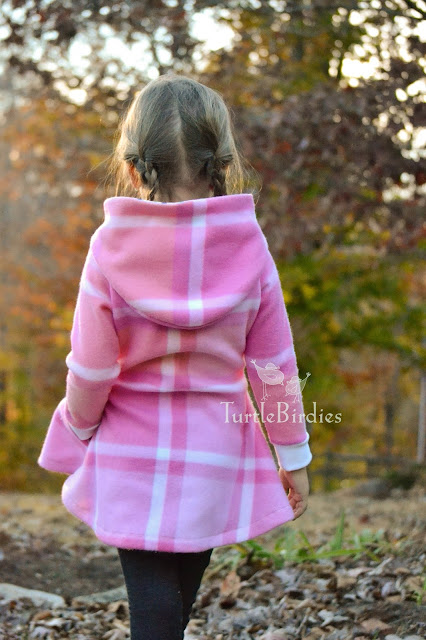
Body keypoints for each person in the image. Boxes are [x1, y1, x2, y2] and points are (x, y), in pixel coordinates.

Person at [38, 73, 313, 640]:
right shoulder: (249, 245)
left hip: (129, 452)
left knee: (154, 604)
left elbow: (91, 368)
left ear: (134, 168)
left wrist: (78, 428)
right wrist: (293, 454)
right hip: (214, 453)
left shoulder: (110, 247)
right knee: (177, 598)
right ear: (222, 163)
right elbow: (274, 366)